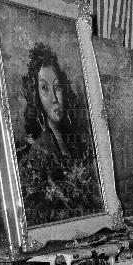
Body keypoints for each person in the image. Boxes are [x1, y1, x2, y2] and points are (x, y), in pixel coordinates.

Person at [18, 42, 100, 226]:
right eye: (45, 88)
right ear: (36, 96)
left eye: (58, 87)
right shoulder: (38, 151)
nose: (55, 98)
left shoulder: (78, 143)